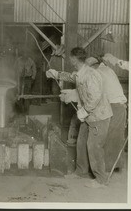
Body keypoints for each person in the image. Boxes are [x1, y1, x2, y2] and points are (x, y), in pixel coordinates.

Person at [47, 47, 113, 188]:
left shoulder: (91, 75)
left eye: (70, 58)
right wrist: (56, 74)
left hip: (99, 117)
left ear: (74, 59)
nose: (69, 60)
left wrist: (84, 111)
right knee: (81, 143)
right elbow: (71, 77)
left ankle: (102, 180)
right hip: (89, 117)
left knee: (94, 146)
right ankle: (81, 172)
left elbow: (95, 97)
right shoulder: (81, 73)